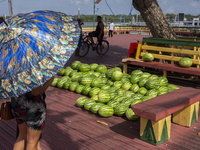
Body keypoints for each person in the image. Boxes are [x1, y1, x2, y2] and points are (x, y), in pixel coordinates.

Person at [11, 76, 54, 150]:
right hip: (32, 107)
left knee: (21, 137)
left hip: (17, 103)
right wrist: (50, 80)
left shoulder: (14, 66)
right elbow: (35, 91)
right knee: (32, 142)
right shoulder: (32, 69)